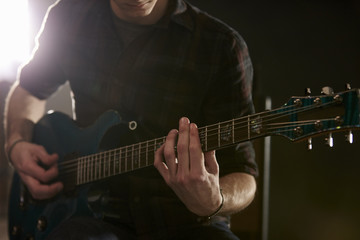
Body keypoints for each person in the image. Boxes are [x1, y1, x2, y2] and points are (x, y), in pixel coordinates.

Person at [4, 0, 258, 239]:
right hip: (91, 216)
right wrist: (16, 143)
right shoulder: (70, 15)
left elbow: (244, 173)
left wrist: (215, 200)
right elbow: (29, 90)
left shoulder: (221, 45)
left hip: (187, 222)